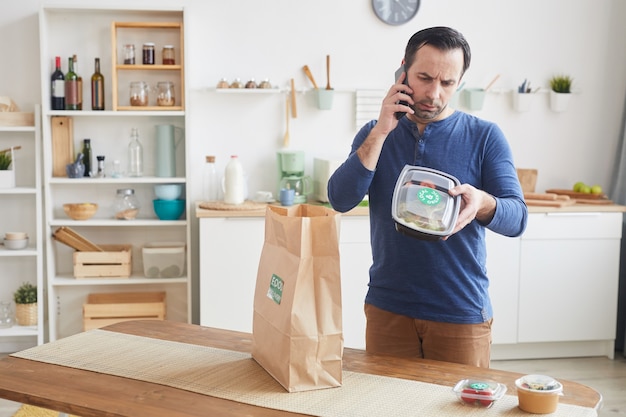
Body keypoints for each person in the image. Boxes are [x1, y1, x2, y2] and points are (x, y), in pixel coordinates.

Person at [327, 26, 528, 368]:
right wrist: (381, 131)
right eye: (424, 77)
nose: (434, 93)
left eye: (447, 83)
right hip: (388, 307)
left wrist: (481, 203)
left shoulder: (485, 137)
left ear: (459, 82)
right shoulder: (375, 134)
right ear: (403, 70)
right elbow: (340, 199)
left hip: (461, 311)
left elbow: (517, 217)